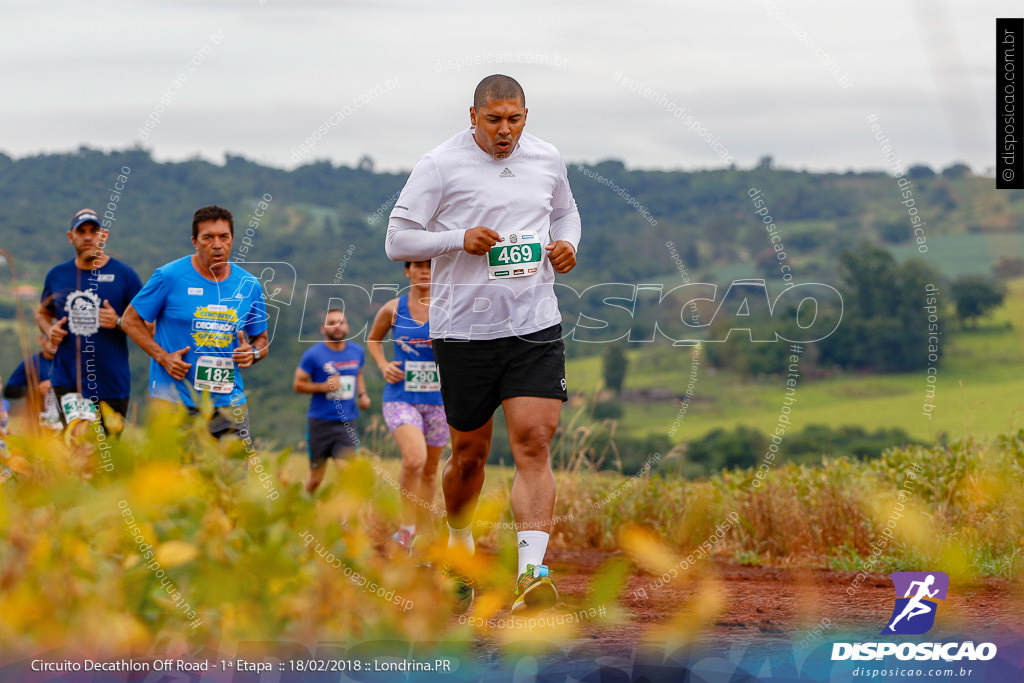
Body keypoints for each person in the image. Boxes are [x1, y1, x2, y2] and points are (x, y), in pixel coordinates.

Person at [385, 74, 581, 612]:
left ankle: (531, 574)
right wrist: (458, 239)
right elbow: (397, 238)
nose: (505, 130)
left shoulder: (546, 158)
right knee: (469, 457)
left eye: (514, 119)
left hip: (535, 325)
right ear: (472, 116)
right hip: (464, 333)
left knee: (534, 443)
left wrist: (566, 244)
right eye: (493, 119)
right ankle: (459, 546)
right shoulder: (439, 165)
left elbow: (565, 212)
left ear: (525, 115)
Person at [121, 205, 268, 439]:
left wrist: (253, 353)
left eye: (224, 236)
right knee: (174, 476)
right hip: (174, 402)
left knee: (233, 475)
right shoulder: (169, 276)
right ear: (195, 241)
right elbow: (130, 320)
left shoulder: (249, 285)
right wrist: (163, 357)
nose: (217, 244)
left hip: (229, 404)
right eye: (208, 237)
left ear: (232, 240)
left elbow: (261, 338)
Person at [36, 208, 143, 433]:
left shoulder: (125, 276)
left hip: (112, 384)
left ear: (103, 235)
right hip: (67, 382)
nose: (87, 237)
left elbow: (148, 326)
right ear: (70, 236)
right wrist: (50, 330)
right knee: (76, 450)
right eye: (81, 231)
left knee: (108, 458)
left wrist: (118, 321)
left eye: (93, 231)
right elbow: (42, 313)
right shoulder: (57, 275)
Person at [366, 260, 447, 552]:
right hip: (400, 397)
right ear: (407, 271)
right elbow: (374, 340)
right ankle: (406, 530)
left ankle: (422, 534)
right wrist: (384, 364)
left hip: (439, 402)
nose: (424, 271)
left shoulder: (448, 308)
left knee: (429, 470)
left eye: (430, 266)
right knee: (415, 459)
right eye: (418, 266)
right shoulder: (393, 309)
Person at [293, 308, 370, 493]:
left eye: (341, 322)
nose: (337, 326)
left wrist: (363, 395)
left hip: (346, 423)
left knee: (347, 473)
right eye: (332, 322)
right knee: (315, 480)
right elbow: (298, 384)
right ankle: (300, 513)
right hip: (320, 423)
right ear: (323, 328)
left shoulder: (357, 351)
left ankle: (344, 521)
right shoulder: (313, 355)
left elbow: (358, 374)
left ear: (348, 327)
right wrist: (322, 387)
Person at [2, 334, 61, 430]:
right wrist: (36, 389)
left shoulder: (70, 363)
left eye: (58, 339)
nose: (54, 343)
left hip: (64, 421)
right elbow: (9, 391)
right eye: (50, 339)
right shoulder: (31, 362)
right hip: (37, 424)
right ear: (41, 340)